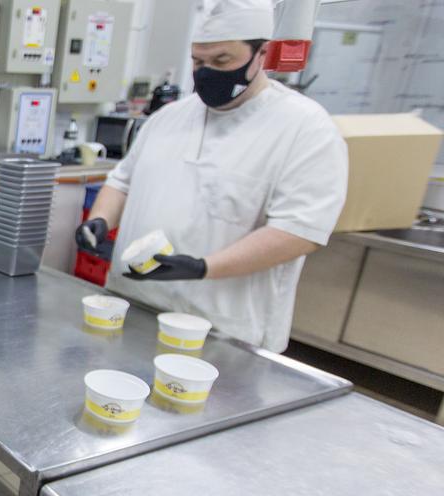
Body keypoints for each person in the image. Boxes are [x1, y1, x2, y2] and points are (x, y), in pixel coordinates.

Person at [75, 0, 348, 352]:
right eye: (198, 62)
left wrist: (202, 268)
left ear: (262, 53)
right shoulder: (168, 119)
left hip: (220, 329)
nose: (206, 73)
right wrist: (99, 220)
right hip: (134, 305)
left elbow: (300, 232)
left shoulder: (305, 128)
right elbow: (122, 181)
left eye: (222, 61)